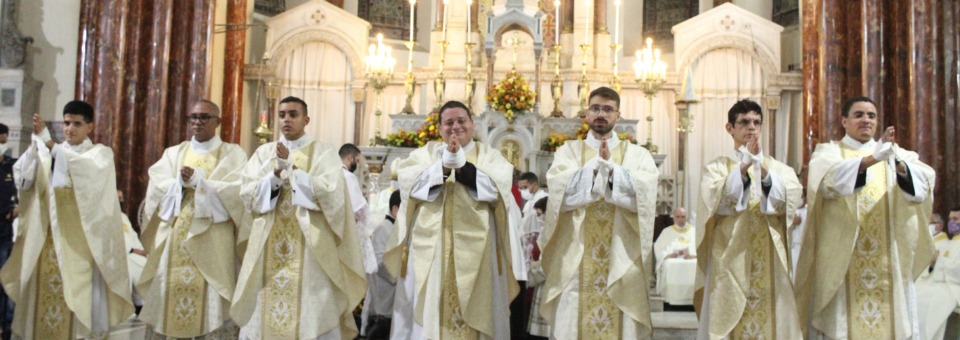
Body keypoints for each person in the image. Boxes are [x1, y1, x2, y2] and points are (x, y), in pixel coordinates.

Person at [796, 96, 936, 339]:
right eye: (859, 115)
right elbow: (828, 182)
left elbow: (923, 185)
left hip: (887, 261)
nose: (866, 120)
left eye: (871, 116)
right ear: (844, 121)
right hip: (844, 263)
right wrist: (872, 159)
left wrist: (898, 164)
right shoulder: (829, 153)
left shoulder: (896, 154)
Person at [385, 100, 522, 339]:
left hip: (479, 252)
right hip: (432, 250)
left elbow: (497, 190)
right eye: (448, 122)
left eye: (461, 121)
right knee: (430, 313)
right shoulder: (424, 154)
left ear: (472, 124)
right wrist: (444, 167)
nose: (455, 126)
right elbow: (410, 188)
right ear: (439, 129)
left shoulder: (489, 155)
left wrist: (461, 166)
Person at [231, 96, 366, 339]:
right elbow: (248, 196)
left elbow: (332, 195)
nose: (286, 120)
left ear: (306, 119)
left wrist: (293, 171)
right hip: (268, 246)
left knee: (311, 314)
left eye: (293, 114)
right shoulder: (263, 153)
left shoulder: (323, 152)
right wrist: (274, 176)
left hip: (310, 249)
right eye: (282, 115)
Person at [0, 102, 134, 339]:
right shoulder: (51, 150)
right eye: (66, 123)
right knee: (39, 302)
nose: (70, 129)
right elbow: (24, 179)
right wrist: (35, 148)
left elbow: (81, 169)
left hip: (80, 245)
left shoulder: (99, 155)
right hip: (46, 241)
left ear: (90, 127)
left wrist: (49, 144)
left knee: (77, 301)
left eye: (77, 124)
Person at [540, 87, 660, 338]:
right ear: (586, 113)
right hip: (576, 257)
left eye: (608, 109)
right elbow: (561, 198)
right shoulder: (568, 152)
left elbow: (646, 198)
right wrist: (595, 168)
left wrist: (612, 171)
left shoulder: (638, 155)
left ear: (618, 115)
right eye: (595, 108)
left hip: (623, 258)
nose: (601, 114)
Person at [137, 99, 248, 338]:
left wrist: (200, 182)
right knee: (170, 294)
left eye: (204, 117)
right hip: (177, 237)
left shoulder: (232, 153)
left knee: (212, 299)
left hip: (214, 240)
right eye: (193, 117)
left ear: (217, 121)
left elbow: (238, 191)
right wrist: (179, 183)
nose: (197, 122)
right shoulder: (174, 153)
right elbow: (157, 185)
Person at [694, 99, 803, 339]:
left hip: (770, 260)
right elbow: (716, 203)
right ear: (730, 128)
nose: (751, 127)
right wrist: (743, 167)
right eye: (744, 122)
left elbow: (789, 199)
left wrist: (761, 169)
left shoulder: (778, 168)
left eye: (756, 122)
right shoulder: (717, 167)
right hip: (729, 257)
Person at [916, 206, 960, 339]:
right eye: (950, 219)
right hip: (941, 282)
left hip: (953, 287)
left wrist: (938, 260)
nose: (951, 222)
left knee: (924, 301)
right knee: (916, 293)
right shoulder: (951, 242)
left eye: (956, 219)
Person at [363, 190, 401, 339]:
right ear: (395, 209)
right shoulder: (383, 229)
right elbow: (377, 261)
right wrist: (399, 275)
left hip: (393, 295)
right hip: (383, 295)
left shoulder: (395, 229)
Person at [654, 207, 696, 307]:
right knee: (669, 264)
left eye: (683, 217)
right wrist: (669, 255)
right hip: (672, 260)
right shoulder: (666, 232)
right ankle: (671, 299)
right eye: (678, 217)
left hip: (690, 259)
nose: (680, 219)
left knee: (695, 265)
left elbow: (700, 248)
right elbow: (658, 248)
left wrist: (691, 255)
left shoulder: (693, 231)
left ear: (686, 217)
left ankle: (692, 298)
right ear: (674, 218)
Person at [526, 197, 550, 339]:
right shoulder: (544, 230)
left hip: (548, 281)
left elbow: (549, 259)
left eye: (540, 214)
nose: (539, 218)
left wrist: (535, 270)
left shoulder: (553, 230)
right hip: (541, 282)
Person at [0, 123, 16, 340]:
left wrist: (14, 210)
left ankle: (7, 329)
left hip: (4, 233)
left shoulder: (9, 167)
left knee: (5, 281)